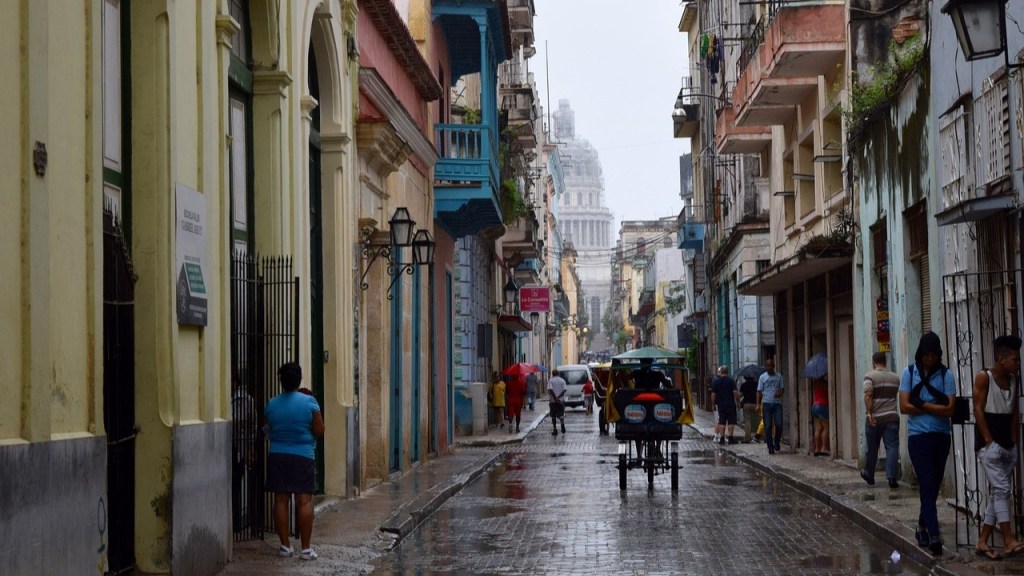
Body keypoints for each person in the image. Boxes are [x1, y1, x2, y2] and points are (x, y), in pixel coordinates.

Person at [899, 331, 956, 557]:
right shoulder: (909, 373)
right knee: (926, 482)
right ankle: (934, 535)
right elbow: (904, 406)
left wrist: (922, 404)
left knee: (933, 484)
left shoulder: (946, 375)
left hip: (941, 437)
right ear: (920, 353)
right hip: (918, 438)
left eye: (934, 355)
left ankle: (922, 526)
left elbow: (950, 409)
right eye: (927, 355)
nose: (930, 359)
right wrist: (936, 407)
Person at [265, 362, 324, 560]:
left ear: (281, 381)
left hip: (278, 455)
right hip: (303, 455)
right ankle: (306, 549)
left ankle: (284, 546)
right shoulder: (310, 402)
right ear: (299, 379)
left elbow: (268, 428)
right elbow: (319, 430)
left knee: (280, 499)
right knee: (304, 501)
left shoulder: (271, 404)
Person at [973, 335, 1024, 559]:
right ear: (1001, 359)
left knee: (997, 493)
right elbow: (978, 409)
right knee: (1003, 489)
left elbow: (1013, 411)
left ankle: (982, 541)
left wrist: (1013, 443)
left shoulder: (1014, 380)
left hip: (1006, 444)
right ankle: (1008, 539)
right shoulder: (985, 377)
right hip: (989, 445)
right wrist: (988, 441)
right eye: (1014, 359)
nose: (1018, 363)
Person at [861, 351, 901, 488]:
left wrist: (869, 413)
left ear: (873, 362)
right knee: (892, 447)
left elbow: (868, 396)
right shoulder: (896, 378)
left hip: (875, 418)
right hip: (892, 416)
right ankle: (892, 478)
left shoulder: (869, 376)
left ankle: (869, 474)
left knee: (872, 447)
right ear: (886, 361)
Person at [231, 378, 257, 533]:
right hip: (226, 448)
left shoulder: (246, 400)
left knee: (235, 486)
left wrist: (249, 448)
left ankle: (236, 525)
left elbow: (253, 425)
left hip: (238, 449)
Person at [757, 357, 785, 455]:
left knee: (779, 424)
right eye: (767, 366)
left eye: (770, 366)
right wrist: (757, 404)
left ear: (774, 366)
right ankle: (770, 447)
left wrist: (779, 394)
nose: (769, 368)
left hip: (777, 403)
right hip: (766, 403)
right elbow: (759, 391)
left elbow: (782, 389)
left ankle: (776, 441)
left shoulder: (779, 377)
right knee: (767, 426)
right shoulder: (762, 377)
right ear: (765, 367)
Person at [710, 366, 740, 445]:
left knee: (721, 422)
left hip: (720, 405)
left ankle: (722, 438)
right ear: (727, 372)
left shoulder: (716, 382)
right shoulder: (731, 381)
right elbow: (735, 393)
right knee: (730, 422)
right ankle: (730, 438)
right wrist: (738, 402)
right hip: (730, 404)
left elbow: (713, 395)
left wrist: (713, 404)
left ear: (721, 372)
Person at [739, 375, 761, 443]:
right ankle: (759, 436)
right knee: (759, 420)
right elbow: (760, 393)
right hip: (756, 404)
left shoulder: (744, 385)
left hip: (747, 404)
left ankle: (747, 438)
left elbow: (740, 395)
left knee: (747, 421)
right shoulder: (757, 384)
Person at [811, 376, 829, 456]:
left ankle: (817, 448)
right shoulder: (824, 383)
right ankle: (824, 448)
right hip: (823, 405)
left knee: (818, 428)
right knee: (826, 427)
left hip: (815, 406)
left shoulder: (815, 383)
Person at [548, 368, 567, 436]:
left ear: (552, 374)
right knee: (561, 414)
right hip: (560, 401)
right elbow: (564, 390)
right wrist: (558, 397)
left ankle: (555, 429)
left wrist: (555, 397)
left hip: (553, 401)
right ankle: (562, 426)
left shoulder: (550, 381)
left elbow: (550, 390)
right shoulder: (562, 380)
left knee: (553, 416)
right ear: (558, 373)